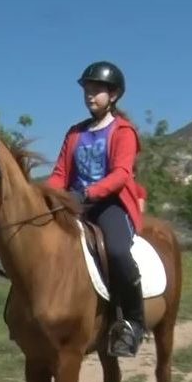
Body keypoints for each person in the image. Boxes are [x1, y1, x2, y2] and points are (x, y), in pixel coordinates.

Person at [46, 61, 145, 357]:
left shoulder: (123, 131)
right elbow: (60, 173)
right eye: (87, 89)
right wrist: (47, 196)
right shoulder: (75, 133)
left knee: (115, 251)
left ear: (113, 95)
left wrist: (87, 193)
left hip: (110, 205)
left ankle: (134, 322)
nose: (90, 95)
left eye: (97, 90)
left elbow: (120, 175)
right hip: (75, 203)